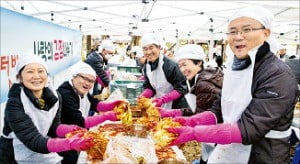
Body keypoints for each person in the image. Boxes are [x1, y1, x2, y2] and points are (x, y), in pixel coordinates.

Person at [167, 6, 298, 164]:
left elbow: (249, 128)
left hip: (261, 156)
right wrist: (191, 121)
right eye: (232, 31)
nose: (238, 37)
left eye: (247, 29)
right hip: (228, 151)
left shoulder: (277, 74)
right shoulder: (235, 68)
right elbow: (218, 110)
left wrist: (194, 132)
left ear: (266, 33)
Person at [0, 55, 93, 164]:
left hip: (42, 151)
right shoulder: (15, 104)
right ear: (20, 77)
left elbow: (53, 127)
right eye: (30, 72)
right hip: (16, 157)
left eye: (40, 71)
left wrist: (71, 130)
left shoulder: (54, 96)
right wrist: (69, 143)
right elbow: (33, 141)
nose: (36, 76)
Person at [158, 44, 223, 163]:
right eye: (180, 66)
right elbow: (198, 109)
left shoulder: (204, 83)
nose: (182, 70)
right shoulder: (201, 78)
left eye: (185, 64)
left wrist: (180, 126)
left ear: (198, 63)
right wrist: (171, 113)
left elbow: (203, 116)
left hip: (217, 136)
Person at [57, 62, 119, 164]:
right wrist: (106, 116)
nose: (88, 83)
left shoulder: (80, 90)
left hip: (76, 137)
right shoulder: (65, 93)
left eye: (91, 81)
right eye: (85, 79)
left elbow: (95, 104)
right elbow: (79, 121)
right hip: (64, 141)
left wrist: (113, 105)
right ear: (74, 76)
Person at [138, 34, 189, 109]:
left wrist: (163, 100)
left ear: (159, 48)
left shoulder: (171, 65)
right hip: (158, 105)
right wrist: (143, 96)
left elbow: (181, 89)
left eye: (151, 48)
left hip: (175, 106)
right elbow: (150, 86)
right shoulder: (147, 66)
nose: (148, 52)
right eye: (145, 49)